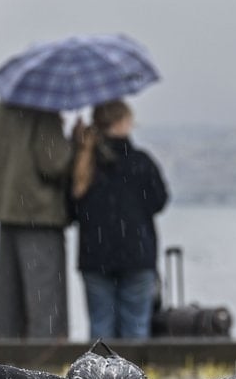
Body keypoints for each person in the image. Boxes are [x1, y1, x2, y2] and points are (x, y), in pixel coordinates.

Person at [71, 99, 169, 340]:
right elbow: (159, 201)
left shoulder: (85, 163)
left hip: (95, 256)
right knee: (135, 329)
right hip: (137, 255)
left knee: (100, 329)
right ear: (123, 122)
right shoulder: (141, 162)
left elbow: (72, 209)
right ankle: (133, 377)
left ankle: (99, 378)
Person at [0, 101, 81, 340]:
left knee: (9, 305)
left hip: (7, 210)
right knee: (45, 306)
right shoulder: (44, 113)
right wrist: (74, 143)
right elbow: (53, 164)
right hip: (39, 214)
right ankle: (44, 368)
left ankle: (5, 362)